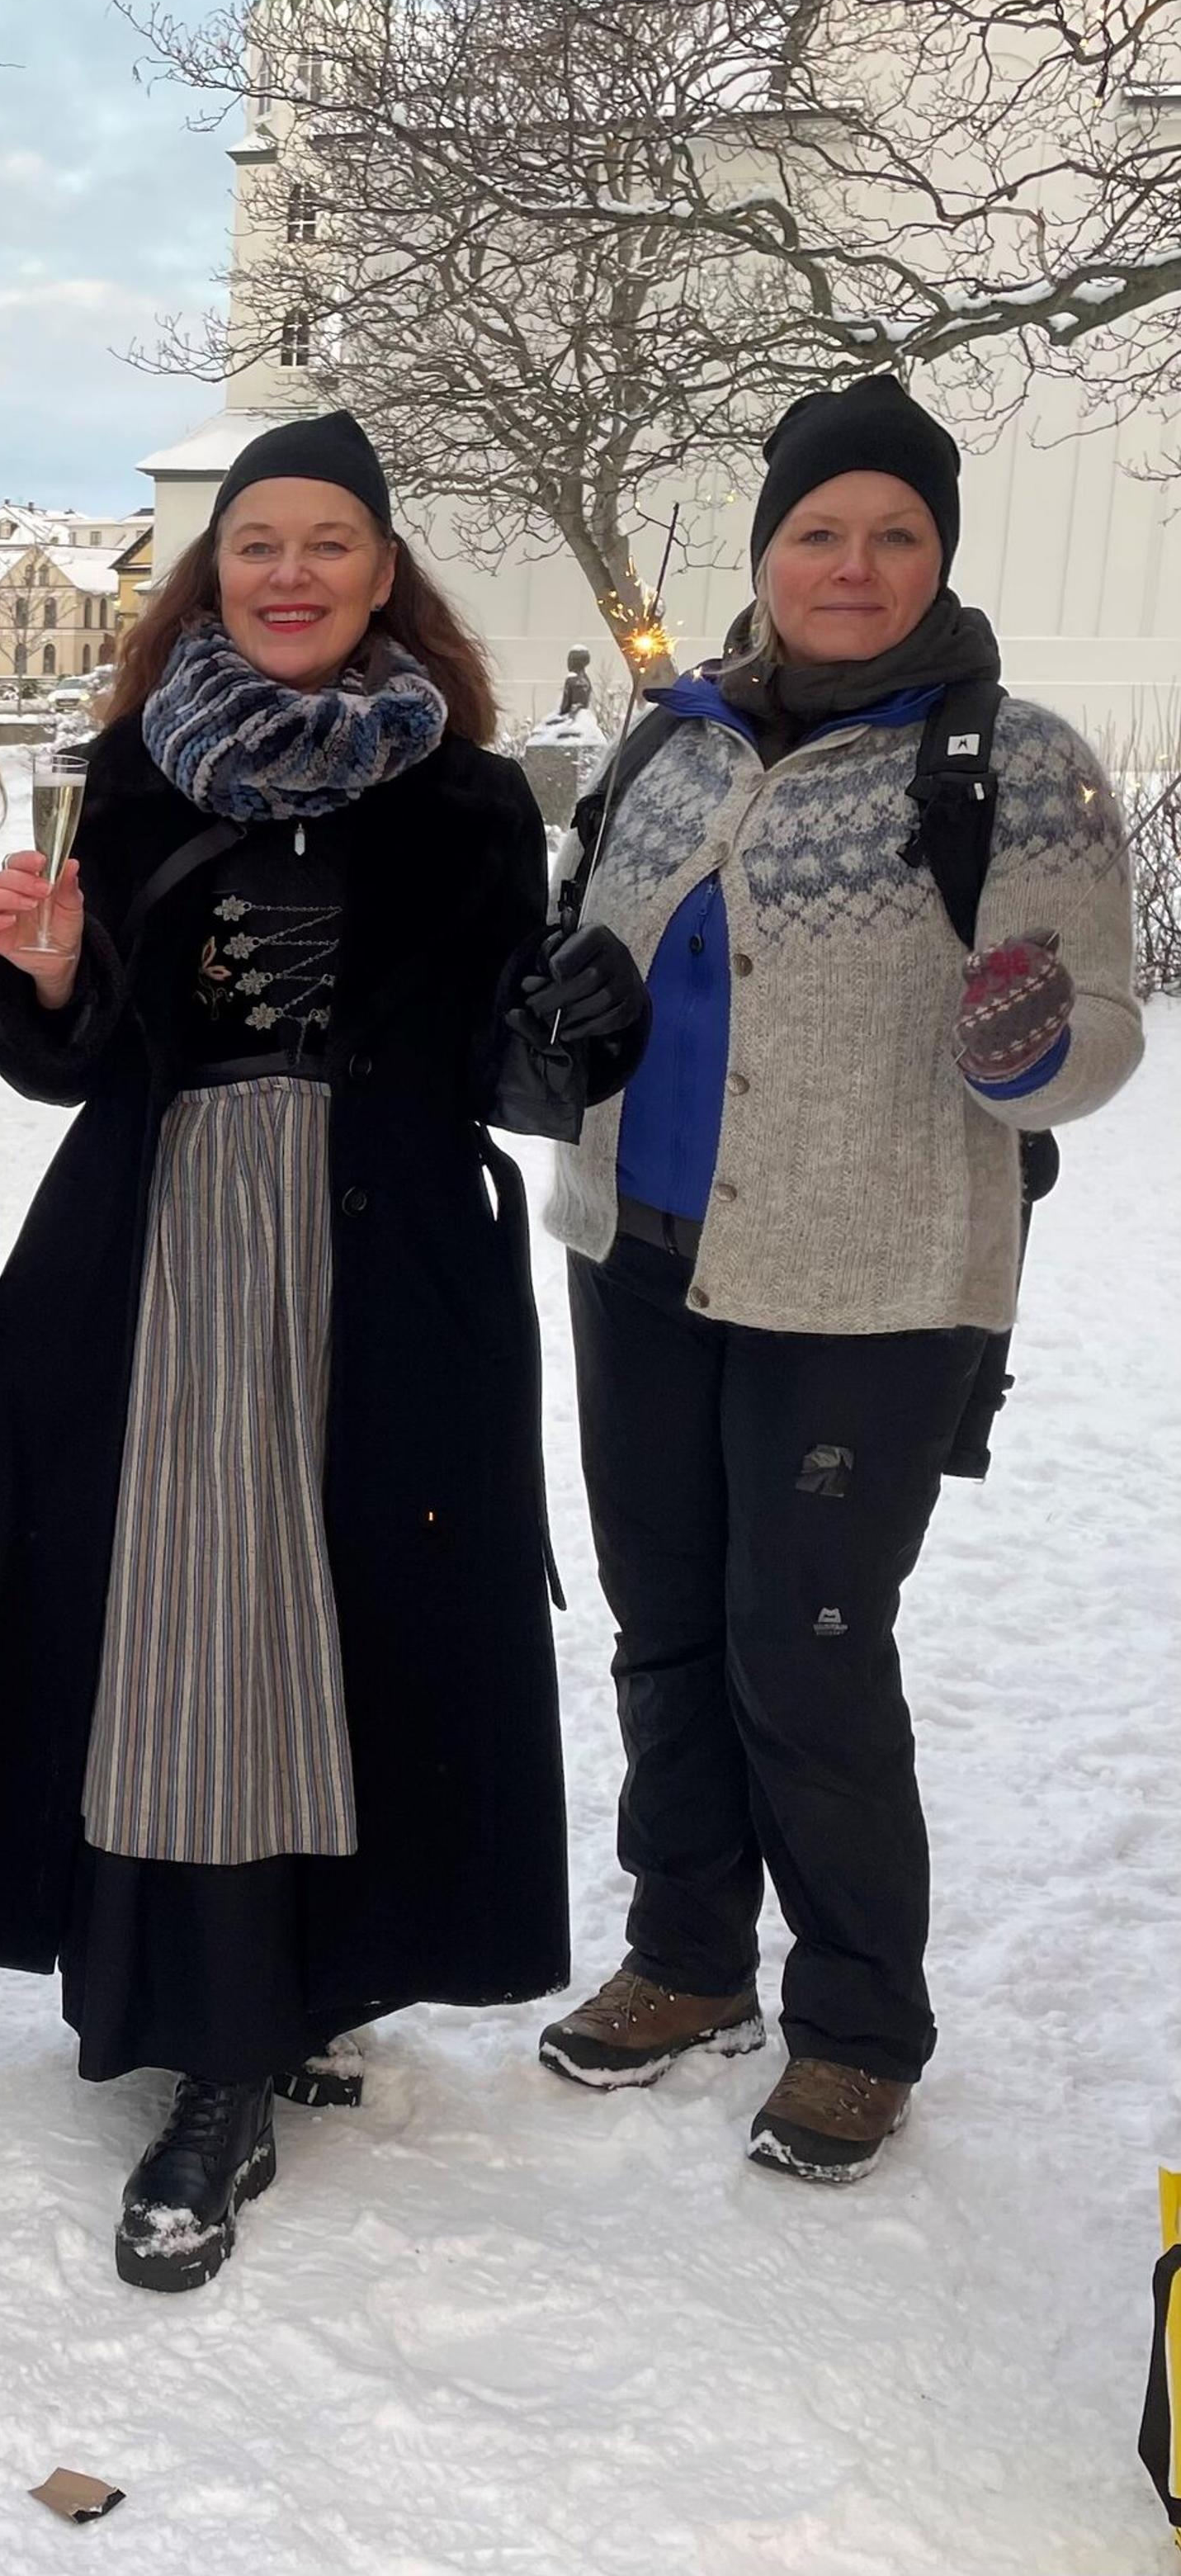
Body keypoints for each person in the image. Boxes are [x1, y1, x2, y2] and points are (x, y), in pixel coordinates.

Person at [0, 412, 645, 2287]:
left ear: (387, 573)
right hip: (165, 1252)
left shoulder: (472, 801)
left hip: (392, 1266)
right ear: (212, 573)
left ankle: (314, 1973)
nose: (292, 572)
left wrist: (576, 1015)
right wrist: (48, 977)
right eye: (259, 546)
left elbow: (497, 1060)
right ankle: (216, 2044)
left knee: (363, 1617)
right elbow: (69, 1062)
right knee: (197, 1630)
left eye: (331, 543)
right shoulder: (133, 774)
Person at [533, 375, 1140, 2184]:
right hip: (639, 1254)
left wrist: (1028, 1041)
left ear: (939, 554)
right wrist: (552, 999)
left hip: (871, 1280)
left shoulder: (1012, 757)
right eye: (819, 530)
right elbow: (583, 941)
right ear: (767, 551)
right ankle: (688, 1955)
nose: (853, 564)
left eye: (894, 533)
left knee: (807, 1645)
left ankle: (863, 2021)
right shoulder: (672, 737)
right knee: (662, 1627)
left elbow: (1096, 1025)